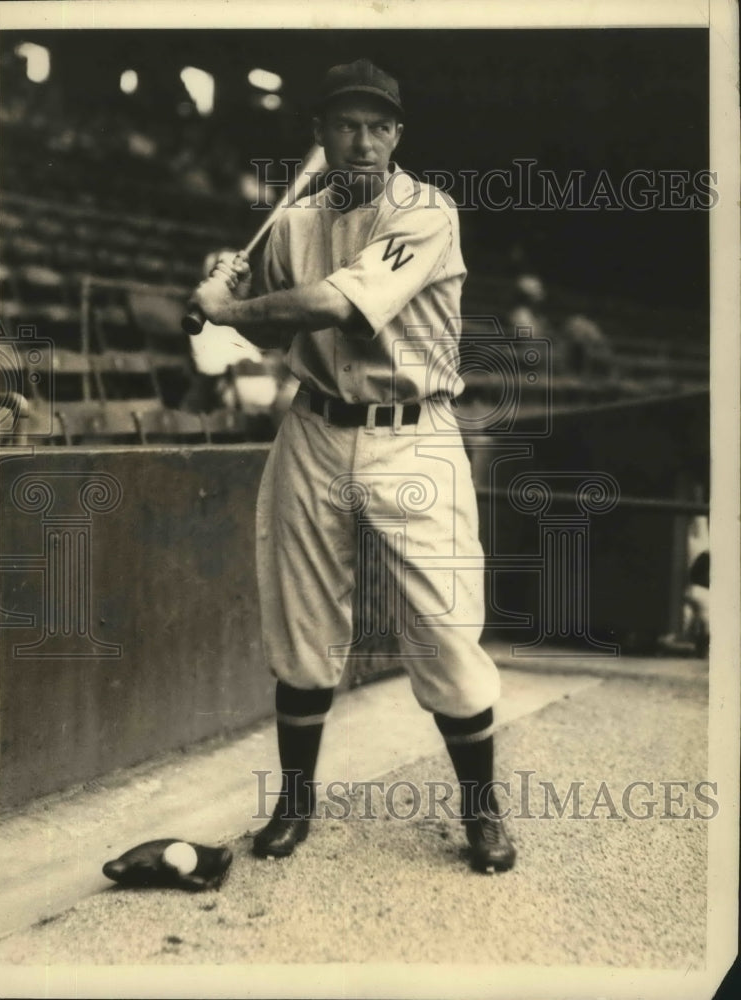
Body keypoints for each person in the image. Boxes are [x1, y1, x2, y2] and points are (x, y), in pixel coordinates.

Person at [190, 58, 515, 874]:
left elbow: (338, 304)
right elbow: (271, 330)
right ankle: (294, 804)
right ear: (321, 133)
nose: (363, 140)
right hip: (315, 427)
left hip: (414, 432)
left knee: (443, 629)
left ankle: (481, 811)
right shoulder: (294, 221)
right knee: (301, 626)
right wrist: (222, 292)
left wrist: (230, 308)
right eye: (346, 124)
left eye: (378, 125)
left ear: (397, 134)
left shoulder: (425, 211)